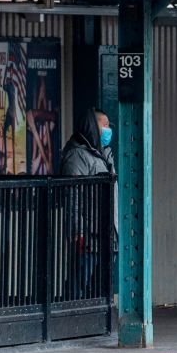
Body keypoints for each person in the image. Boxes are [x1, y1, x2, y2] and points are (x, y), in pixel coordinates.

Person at [62, 107, 115, 300]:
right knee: (80, 280)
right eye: (106, 125)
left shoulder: (103, 154)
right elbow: (72, 197)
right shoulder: (76, 156)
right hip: (88, 235)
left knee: (98, 285)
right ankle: (72, 316)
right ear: (93, 127)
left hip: (105, 233)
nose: (109, 130)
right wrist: (78, 231)